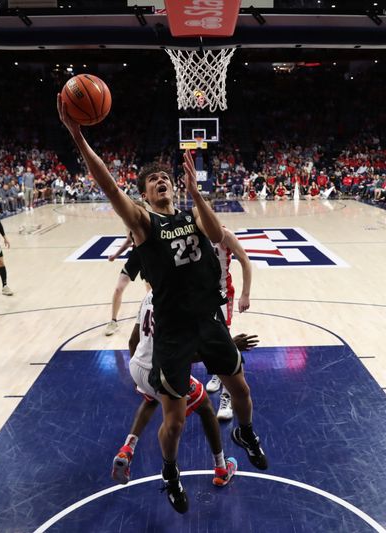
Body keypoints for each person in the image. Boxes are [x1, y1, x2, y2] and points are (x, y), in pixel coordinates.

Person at [58, 95, 267, 515]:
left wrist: (196, 194)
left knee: (240, 388)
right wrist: (78, 136)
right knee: (175, 418)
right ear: (144, 195)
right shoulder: (142, 222)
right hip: (172, 329)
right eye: (152, 180)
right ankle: (170, 472)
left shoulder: (192, 215)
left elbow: (215, 234)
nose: (160, 181)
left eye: (164, 178)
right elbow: (108, 185)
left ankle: (244, 434)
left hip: (208, 318)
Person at [112, 289, 259, 487]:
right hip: (164, 369)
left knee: (152, 398)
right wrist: (229, 345)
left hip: (138, 364)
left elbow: (132, 341)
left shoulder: (149, 294)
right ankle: (220, 469)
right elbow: (187, 356)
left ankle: (127, 448)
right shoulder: (181, 301)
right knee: (205, 407)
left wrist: (140, 379)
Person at [205, 227, 253, 422]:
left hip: (223, 293)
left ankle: (227, 397)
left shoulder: (225, 235)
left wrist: (246, 294)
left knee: (224, 343)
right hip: (200, 296)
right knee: (208, 340)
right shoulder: (191, 232)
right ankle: (218, 373)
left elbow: (245, 261)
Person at [104, 233, 142, 336]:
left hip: (150, 259)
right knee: (118, 289)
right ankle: (113, 321)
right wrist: (115, 255)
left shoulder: (153, 222)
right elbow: (129, 241)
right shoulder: (134, 223)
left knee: (151, 292)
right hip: (135, 258)